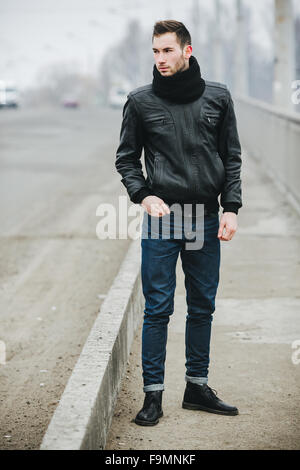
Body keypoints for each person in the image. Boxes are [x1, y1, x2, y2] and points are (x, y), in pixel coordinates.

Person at [115, 20, 242, 426]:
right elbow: (126, 159)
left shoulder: (219, 98)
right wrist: (143, 194)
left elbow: (232, 157)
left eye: (167, 50)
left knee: (202, 306)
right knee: (158, 309)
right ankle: (153, 397)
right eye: (155, 51)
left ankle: (197, 387)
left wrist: (231, 208)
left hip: (205, 217)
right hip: (164, 218)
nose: (160, 59)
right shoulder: (140, 102)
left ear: (187, 50)